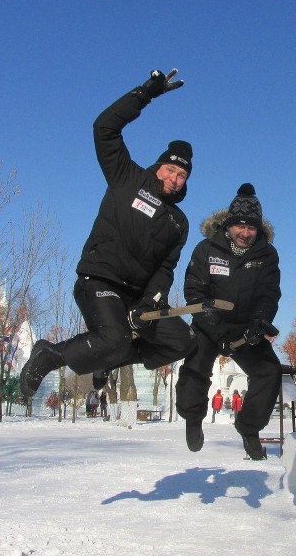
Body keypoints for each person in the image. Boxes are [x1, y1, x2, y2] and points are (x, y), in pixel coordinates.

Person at [19, 69, 197, 398]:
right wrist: (145, 94)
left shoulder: (178, 222)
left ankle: (109, 360)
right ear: (159, 166)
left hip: (136, 297)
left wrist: (151, 302)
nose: (174, 178)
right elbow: (104, 128)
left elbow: (165, 269)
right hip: (100, 281)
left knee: (182, 341)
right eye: (171, 169)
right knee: (112, 338)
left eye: (182, 175)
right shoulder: (125, 177)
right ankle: (49, 355)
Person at [176, 184, 281, 460]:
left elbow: (269, 294)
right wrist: (217, 331)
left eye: (252, 228)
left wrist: (261, 321)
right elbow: (195, 293)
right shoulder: (206, 249)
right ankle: (193, 418)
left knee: (269, 372)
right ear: (229, 225)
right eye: (240, 227)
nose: (246, 233)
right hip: (209, 322)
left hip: (246, 328)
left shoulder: (267, 254)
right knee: (195, 367)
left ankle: (249, 428)